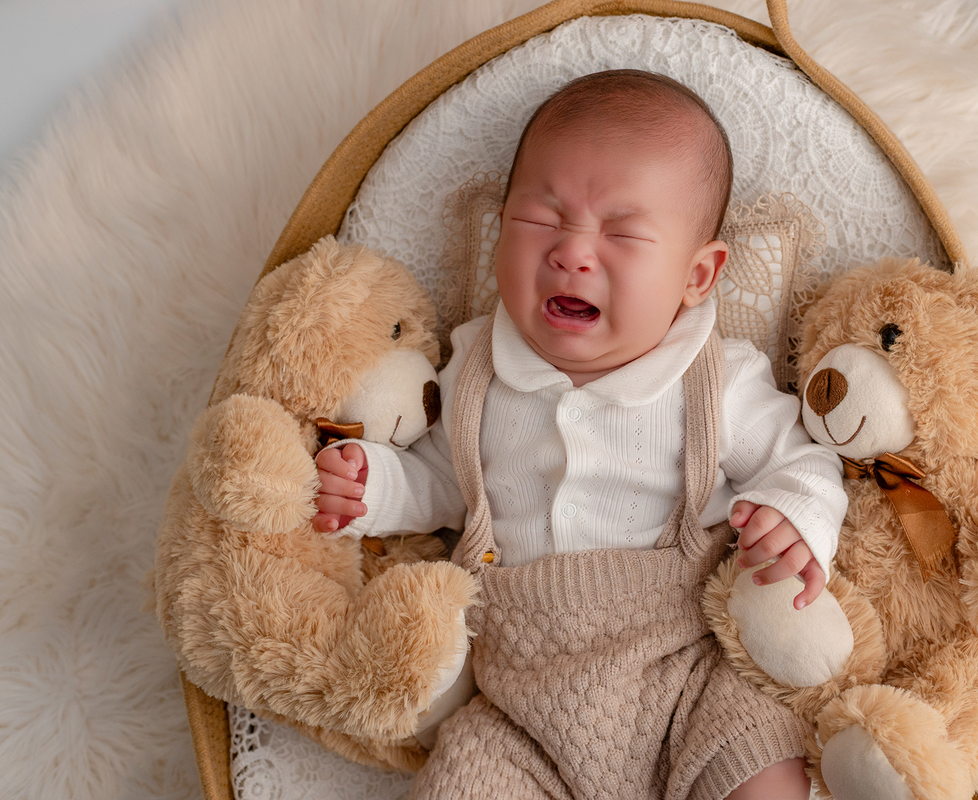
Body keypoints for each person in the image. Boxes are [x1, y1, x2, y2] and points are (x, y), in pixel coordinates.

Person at [312, 70, 847, 800]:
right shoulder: (477, 367)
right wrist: (372, 484)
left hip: (689, 677)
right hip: (520, 707)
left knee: (761, 763)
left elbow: (807, 462)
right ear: (501, 226)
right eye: (540, 219)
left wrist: (795, 517)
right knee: (461, 782)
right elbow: (443, 483)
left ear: (698, 275)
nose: (572, 252)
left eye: (622, 233)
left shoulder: (716, 380)